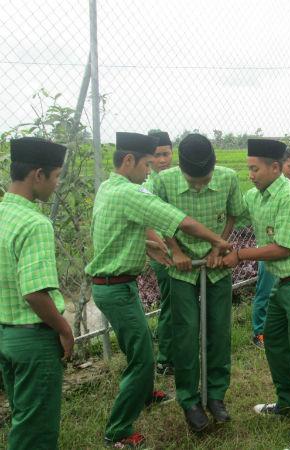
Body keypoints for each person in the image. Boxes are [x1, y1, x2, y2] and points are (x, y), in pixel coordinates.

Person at [85, 132, 231, 448]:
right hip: (116, 288)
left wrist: (152, 248)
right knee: (143, 361)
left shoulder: (108, 188)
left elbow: (122, 235)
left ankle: (153, 396)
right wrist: (218, 241)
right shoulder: (130, 193)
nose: (150, 171)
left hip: (118, 285)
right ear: (129, 161)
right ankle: (117, 431)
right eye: (148, 164)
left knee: (145, 356)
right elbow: (182, 223)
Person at [221, 138, 290, 450]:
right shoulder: (255, 196)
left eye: (255, 169)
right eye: (248, 168)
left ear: (276, 168)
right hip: (282, 285)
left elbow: (283, 248)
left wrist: (239, 254)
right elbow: (232, 214)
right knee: (275, 344)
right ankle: (288, 401)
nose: (250, 174)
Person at [151, 133, 245, 432]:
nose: (200, 185)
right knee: (186, 332)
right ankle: (190, 400)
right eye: (194, 181)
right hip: (182, 267)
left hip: (215, 266)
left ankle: (216, 395)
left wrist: (221, 245)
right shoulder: (164, 182)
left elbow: (232, 214)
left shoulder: (228, 179)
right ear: (182, 170)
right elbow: (158, 218)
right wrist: (175, 250)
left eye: (204, 179)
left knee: (219, 329)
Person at [0, 137, 74, 450]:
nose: (57, 185)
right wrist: (65, 329)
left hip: (6, 335)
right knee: (36, 433)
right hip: (34, 342)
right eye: (57, 176)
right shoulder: (35, 223)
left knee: (23, 417)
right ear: (38, 175)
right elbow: (34, 293)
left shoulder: (3, 213)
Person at [251, 147, 290, 349]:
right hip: (268, 253)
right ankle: (259, 332)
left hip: (283, 256)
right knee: (264, 291)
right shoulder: (258, 194)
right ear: (277, 166)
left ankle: (275, 330)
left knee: (278, 294)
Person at [144, 130, 175, 375]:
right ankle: (165, 359)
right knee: (172, 302)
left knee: (175, 302)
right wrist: (166, 249)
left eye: (166, 153)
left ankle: (170, 348)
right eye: (156, 155)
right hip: (164, 252)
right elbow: (148, 224)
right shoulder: (150, 183)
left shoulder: (172, 179)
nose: (162, 160)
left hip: (173, 247)